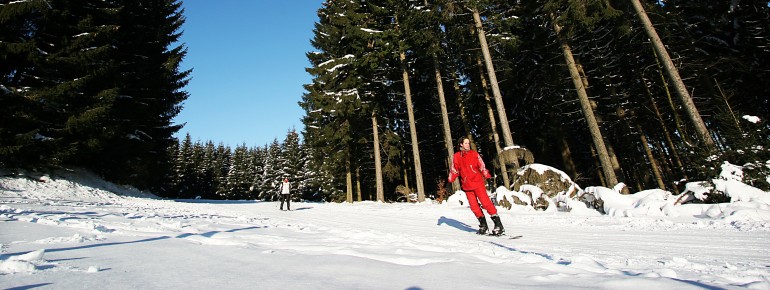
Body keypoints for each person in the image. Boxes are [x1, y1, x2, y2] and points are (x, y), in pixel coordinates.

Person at [447, 137, 505, 235]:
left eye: (468, 143)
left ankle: (498, 225)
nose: (468, 145)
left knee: (486, 203)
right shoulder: (457, 156)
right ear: (461, 144)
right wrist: (449, 181)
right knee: (474, 207)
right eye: (465, 143)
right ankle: (483, 225)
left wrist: (488, 177)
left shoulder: (474, 154)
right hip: (467, 186)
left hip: (477, 183)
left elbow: (482, 166)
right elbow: (454, 170)